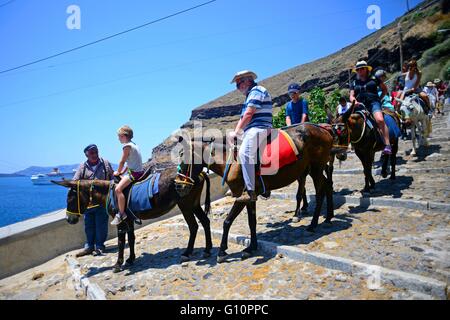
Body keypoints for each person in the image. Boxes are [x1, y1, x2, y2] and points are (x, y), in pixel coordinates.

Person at [229, 70, 273, 203]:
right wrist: (235, 134)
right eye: (236, 85)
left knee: (244, 154)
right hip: (250, 129)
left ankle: (250, 191)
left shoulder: (257, 90)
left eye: (239, 83)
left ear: (248, 80)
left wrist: (237, 132)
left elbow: (249, 114)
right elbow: (243, 117)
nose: (238, 87)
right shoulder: (249, 95)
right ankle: (238, 183)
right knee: (232, 149)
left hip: (260, 127)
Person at [73, 144, 114, 257]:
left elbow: (113, 179)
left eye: (96, 151)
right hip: (88, 204)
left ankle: (100, 247)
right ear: (86, 154)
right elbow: (75, 182)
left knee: (101, 225)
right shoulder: (82, 166)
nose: (95, 154)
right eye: (92, 153)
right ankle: (89, 247)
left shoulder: (105, 164)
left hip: (102, 202)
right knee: (88, 226)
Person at [349, 60, 392, 155]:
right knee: (348, 122)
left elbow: (384, 89)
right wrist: (354, 101)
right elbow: (351, 96)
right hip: (359, 105)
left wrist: (378, 99)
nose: (360, 71)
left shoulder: (374, 79)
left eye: (362, 69)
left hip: (373, 103)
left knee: (380, 120)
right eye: (358, 69)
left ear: (366, 69)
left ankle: (387, 144)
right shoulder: (354, 82)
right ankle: (349, 144)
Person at [111, 126, 144, 225]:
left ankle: (121, 214)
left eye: (119, 136)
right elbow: (129, 163)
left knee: (118, 189)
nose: (118, 138)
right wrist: (122, 172)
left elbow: (122, 161)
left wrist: (117, 172)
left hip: (134, 174)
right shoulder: (134, 145)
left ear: (124, 136)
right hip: (139, 172)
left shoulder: (126, 146)